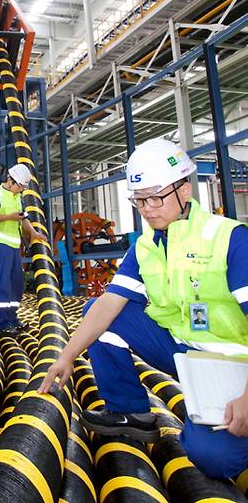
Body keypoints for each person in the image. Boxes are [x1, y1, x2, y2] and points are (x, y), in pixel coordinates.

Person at [38, 138, 248, 479]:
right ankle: (130, 411)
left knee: (212, 458)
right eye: (138, 200)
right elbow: (109, 305)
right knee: (99, 311)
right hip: (188, 355)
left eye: (155, 197)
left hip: (239, 369)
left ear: (184, 188)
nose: (147, 208)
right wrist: (66, 356)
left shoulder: (229, 239)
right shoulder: (146, 247)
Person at [0, 163, 47, 336]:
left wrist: (33, 233)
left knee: (17, 284)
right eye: (20, 186)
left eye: (23, 188)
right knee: (2, 285)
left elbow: (22, 218)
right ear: (10, 180)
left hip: (13, 247)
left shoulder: (17, 197)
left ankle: (12, 318)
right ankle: (3, 324)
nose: (21, 190)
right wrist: (9, 217)